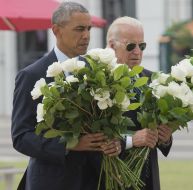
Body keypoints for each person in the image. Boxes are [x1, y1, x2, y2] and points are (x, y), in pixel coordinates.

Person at [11, 2, 121, 190]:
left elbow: (107, 123)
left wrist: (113, 142)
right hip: (51, 182)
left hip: (96, 180)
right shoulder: (31, 75)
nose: (86, 36)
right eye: (79, 29)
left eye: (88, 29)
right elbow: (21, 137)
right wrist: (70, 144)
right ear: (56, 30)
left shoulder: (97, 72)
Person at [106, 16, 173, 190]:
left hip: (148, 181)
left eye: (141, 46)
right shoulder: (99, 83)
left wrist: (164, 137)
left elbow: (160, 137)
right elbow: (93, 136)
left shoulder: (152, 79)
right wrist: (131, 141)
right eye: (130, 46)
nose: (137, 51)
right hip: (111, 178)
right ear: (112, 46)